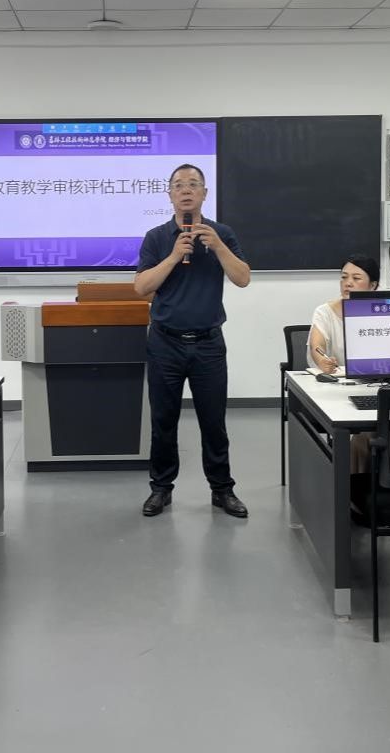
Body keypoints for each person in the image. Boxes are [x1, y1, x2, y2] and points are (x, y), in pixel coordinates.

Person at [135, 163, 251, 519]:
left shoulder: (222, 233)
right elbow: (141, 288)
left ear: (204, 193)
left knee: (213, 422)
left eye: (193, 184)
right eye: (179, 185)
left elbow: (243, 278)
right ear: (170, 195)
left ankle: (222, 489)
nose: (186, 190)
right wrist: (173, 256)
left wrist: (218, 247)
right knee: (163, 421)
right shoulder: (156, 237)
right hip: (165, 343)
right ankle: (161, 488)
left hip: (208, 344)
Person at [308, 254, 380, 374]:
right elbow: (316, 345)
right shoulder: (325, 312)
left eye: (356, 278)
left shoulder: (384, 312)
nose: (348, 283)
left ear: (372, 285)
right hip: (340, 379)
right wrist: (322, 361)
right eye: (344, 277)